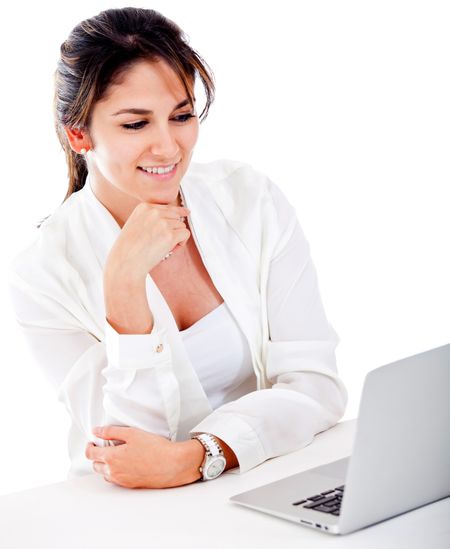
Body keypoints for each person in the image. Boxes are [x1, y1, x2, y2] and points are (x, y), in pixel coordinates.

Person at [8, 7, 347, 489]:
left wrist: (200, 455)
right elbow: (125, 452)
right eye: (135, 124)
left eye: (182, 116)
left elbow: (317, 386)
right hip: (131, 517)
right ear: (78, 133)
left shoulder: (250, 199)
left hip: (262, 482)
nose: (168, 148)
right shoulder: (41, 274)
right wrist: (123, 286)